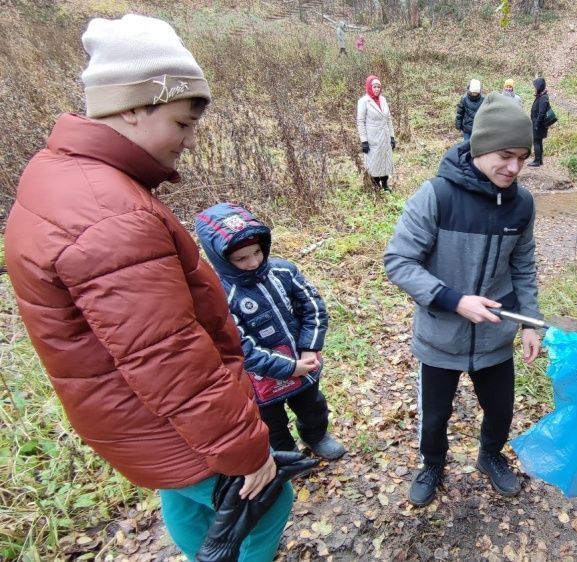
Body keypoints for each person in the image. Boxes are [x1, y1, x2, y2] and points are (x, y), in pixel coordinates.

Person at [3, 14, 293, 559]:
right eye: (182, 123)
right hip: (165, 418)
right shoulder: (109, 214)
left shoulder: (61, 173)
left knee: (187, 497)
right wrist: (248, 448)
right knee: (265, 501)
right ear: (134, 105)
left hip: (133, 416)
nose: (187, 140)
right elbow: (169, 357)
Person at [384, 93, 542, 508]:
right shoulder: (436, 196)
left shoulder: (521, 205)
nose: (514, 168)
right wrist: (454, 300)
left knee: (500, 410)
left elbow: (524, 267)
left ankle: (490, 456)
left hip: (494, 339)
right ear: (481, 147)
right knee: (435, 417)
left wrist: (530, 323)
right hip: (440, 338)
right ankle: (432, 464)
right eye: (506, 155)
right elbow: (398, 260)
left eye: (523, 158)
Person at [195, 202, 347, 460]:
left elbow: (313, 307)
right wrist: (289, 368)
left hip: (304, 361)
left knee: (313, 407)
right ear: (221, 259)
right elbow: (240, 348)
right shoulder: (221, 296)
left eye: (257, 252)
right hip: (261, 378)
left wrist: (309, 347)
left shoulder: (283, 271)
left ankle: (316, 436)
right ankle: (287, 454)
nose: (253, 262)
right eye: (241, 258)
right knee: (271, 422)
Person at [357, 74, 396, 191]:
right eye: (374, 86)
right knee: (374, 162)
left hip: (384, 136)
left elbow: (388, 119)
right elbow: (360, 121)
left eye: (379, 87)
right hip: (372, 137)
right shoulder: (364, 101)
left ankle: (384, 184)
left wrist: (392, 137)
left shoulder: (383, 100)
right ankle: (375, 185)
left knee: (385, 160)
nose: (377, 89)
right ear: (369, 87)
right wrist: (364, 141)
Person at [528, 77, 551, 167]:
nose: (535, 88)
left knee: (536, 142)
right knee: (539, 141)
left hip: (539, 124)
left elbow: (541, 113)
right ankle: (539, 160)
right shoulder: (541, 96)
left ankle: (537, 161)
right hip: (538, 123)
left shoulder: (543, 98)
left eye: (535, 86)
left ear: (539, 87)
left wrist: (536, 124)